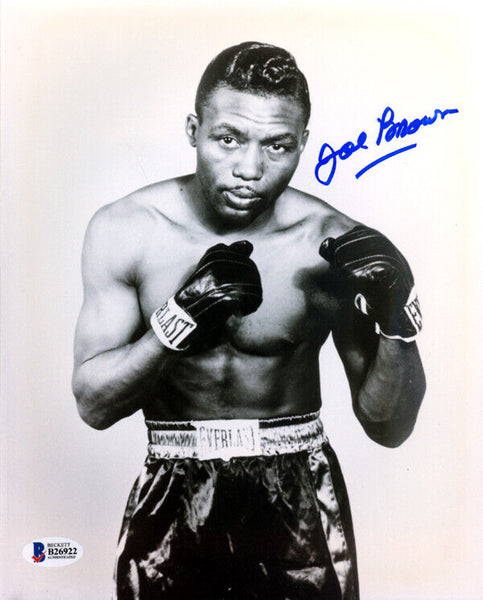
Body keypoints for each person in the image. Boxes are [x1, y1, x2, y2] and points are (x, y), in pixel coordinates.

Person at [72, 42, 426, 600]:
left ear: (302, 143)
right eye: (229, 139)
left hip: (298, 501)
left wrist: (397, 322)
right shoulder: (126, 230)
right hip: (173, 494)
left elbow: (390, 427)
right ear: (194, 131)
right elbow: (94, 406)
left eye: (277, 146)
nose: (250, 170)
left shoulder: (330, 244)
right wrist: (175, 322)